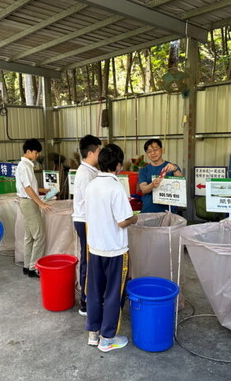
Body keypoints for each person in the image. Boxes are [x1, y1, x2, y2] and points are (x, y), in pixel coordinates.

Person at [84, 144, 138, 352]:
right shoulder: (115, 187)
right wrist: (134, 218)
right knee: (114, 294)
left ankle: (93, 333)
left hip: (95, 247)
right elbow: (122, 221)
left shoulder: (92, 185)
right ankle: (107, 339)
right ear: (118, 165)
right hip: (115, 250)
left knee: (95, 292)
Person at [72, 134, 102, 316]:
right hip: (85, 221)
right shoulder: (85, 174)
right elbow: (91, 202)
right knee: (88, 260)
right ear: (91, 153)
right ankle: (85, 301)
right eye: (99, 150)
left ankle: (91, 296)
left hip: (89, 220)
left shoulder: (91, 171)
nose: (101, 153)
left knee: (91, 259)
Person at [15, 138, 51, 278]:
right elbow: (28, 189)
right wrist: (41, 204)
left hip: (27, 201)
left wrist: (43, 190)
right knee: (39, 236)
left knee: (29, 236)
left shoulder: (25, 165)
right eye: (36, 152)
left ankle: (27, 265)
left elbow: (30, 187)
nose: (37, 155)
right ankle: (34, 268)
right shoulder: (25, 166)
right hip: (29, 203)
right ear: (28, 151)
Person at [138, 139, 183, 213]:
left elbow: (181, 185)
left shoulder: (171, 167)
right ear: (146, 154)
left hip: (168, 212)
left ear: (162, 150)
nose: (153, 153)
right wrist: (152, 185)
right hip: (148, 210)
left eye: (155, 149)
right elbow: (143, 189)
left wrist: (175, 170)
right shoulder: (143, 170)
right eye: (149, 151)